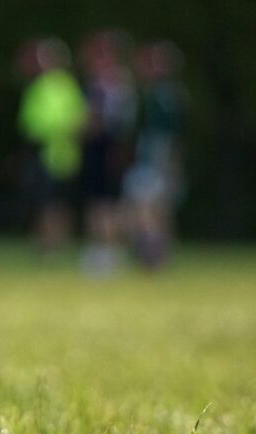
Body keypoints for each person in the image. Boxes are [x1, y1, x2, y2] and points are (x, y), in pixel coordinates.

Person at [16, 38, 88, 253]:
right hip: (47, 153)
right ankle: (48, 244)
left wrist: (54, 130)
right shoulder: (41, 86)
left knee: (58, 203)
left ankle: (56, 244)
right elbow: (29, 122)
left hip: (63, 155)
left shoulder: (66, 86)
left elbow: (79, 119)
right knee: (46, 202)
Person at [78, 30, 139, 275]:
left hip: (109, 146)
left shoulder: (116, 84)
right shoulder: (96, 83)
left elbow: (109, 121)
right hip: (98, 146)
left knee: (106, 201)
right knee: (98, 200)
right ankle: (102, 249)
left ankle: (108, 252)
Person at [123, 41, 187, 269]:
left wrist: (169, 163)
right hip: (151, 159)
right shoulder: (154, 93)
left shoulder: (164, 94)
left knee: (150, 209)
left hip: (157, 159)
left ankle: (154, 255)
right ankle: (155, 255)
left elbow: (171, 134)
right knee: (151, 209)